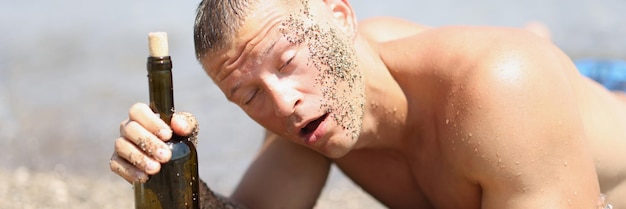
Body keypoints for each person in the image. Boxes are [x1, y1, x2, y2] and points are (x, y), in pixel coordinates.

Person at [110, 0, 626, 208]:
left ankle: (541, 40)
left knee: (531, 67)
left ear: (339, 16)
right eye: (247, 95)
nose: (282, 101)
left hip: (568, 102)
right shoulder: (311, 118)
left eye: (288, 59)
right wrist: (176, 176)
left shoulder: (503, 88)